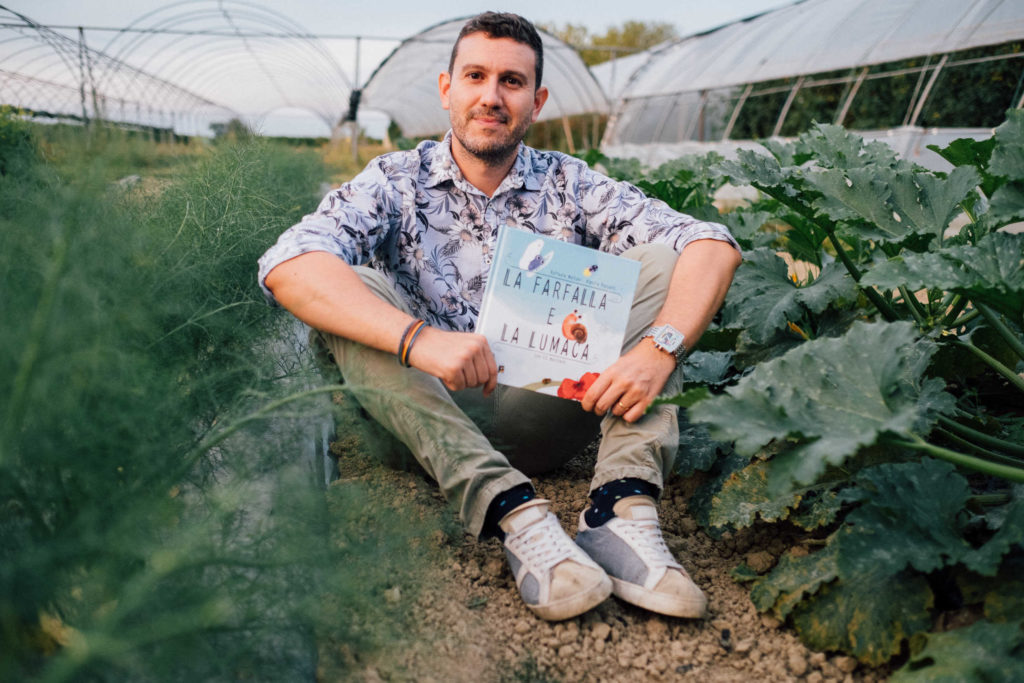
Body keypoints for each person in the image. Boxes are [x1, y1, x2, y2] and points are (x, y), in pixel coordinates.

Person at [259, 12, 741, 622]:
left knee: (660, 259)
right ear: (447, 88)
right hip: (420, 420)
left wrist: (659, 348)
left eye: (511, 82)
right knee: (346, 282)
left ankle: (620, 511)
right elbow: (286, 262)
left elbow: (711, 243)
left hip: (539, 417)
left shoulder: (568, 183)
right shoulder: (393, 182)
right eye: (476, 76)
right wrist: (419, 340)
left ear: (535, 101)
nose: (491, 96)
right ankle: (515, 513)